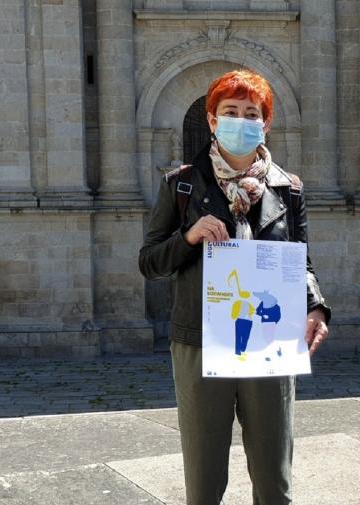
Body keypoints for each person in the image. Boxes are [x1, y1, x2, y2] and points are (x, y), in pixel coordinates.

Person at [139, 68, 331, 505]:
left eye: (251, 113)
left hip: (270, 339)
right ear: (212, 119)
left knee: (274, 480)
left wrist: (316, 307)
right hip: (200, 341)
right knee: (204, 481)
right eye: (230, 111)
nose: (240, 121)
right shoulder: (181, 184)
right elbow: (149, 262)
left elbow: (301, 263)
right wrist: (188, 237)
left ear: (266, 123)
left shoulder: (289, 189)